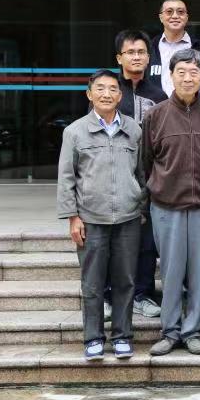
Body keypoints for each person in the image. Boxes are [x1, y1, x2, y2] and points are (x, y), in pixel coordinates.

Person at [57, 69, 145, 361]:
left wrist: (141, 205)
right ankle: (93, 338)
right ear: (89, 94)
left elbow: (142, 173)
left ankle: (122, 337)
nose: (106, 94)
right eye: (100, 88)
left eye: (112, 89)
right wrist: (72, 216)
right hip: (90, 219)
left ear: (120, 96)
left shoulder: (134, 129)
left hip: (128, 218)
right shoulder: (75, 132)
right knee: (92, 283)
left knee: (126, 281)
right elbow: (66, 178)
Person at [142, 49, 200, 357]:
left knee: (199, 272)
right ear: (170, 76)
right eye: (181, 72)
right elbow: (145, 163)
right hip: (166, 205)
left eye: (194, 72)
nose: (187, 78)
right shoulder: (155, 115)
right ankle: (170, 331)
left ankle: (193, 330)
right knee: (171, 272)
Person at [113, 30, 167, 319]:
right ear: (119, 58)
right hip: (114, 177)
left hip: (149, 178)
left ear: (149, 58)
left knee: (147, 242)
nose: (136, 57)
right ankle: (111, 295)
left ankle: (143, 294)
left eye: (141, 52)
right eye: (130, 52)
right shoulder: (108, 91)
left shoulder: (158, 95)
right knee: (114, 240)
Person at [147, 0, 200, 96]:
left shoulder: (199, 47)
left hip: (189, 104)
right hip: (154, 104)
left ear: (186, 17)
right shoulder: (149, 47)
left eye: (180, 12)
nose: (175, 16)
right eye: (169, 12)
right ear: (161, 17)